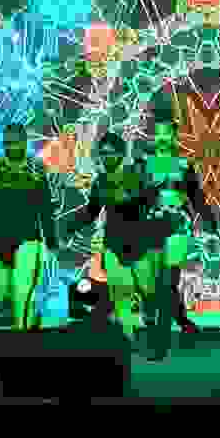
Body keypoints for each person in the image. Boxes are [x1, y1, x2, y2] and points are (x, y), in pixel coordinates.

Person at [140, 100, 220, 361]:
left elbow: (198, 200)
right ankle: (184, 322)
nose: (163, 139)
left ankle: (159, 342)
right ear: (154, 136)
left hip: (176, 230)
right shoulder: (143, 164)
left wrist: (213, 226)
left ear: (175, 136)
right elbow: (132, 199)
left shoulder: (185, 165)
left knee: (167, 284)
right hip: (149, 230)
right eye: (159, 134)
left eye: (167, 134)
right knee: (154, 287)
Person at [64, 131, 156, 341]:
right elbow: (91, 211)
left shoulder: (135, 175)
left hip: (141, 245)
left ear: (121, 153)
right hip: (114, 246)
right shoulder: (100, 182)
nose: (106, 157)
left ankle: (152, 329)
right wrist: (69, 227)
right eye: (103, 153)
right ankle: (130, 341)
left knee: (149, 292)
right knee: (121, 295)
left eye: (111, 153)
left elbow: (148, 200)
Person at [0, 123, 58, 332]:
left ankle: (23, 336)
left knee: (22, 291)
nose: (12, 147)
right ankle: (30, 318)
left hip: (29, 240)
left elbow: (45, 208)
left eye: (16, 142)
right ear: (4, 144)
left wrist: (51, 243)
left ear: (24, 143)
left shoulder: (36, 168)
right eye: (8, 143)